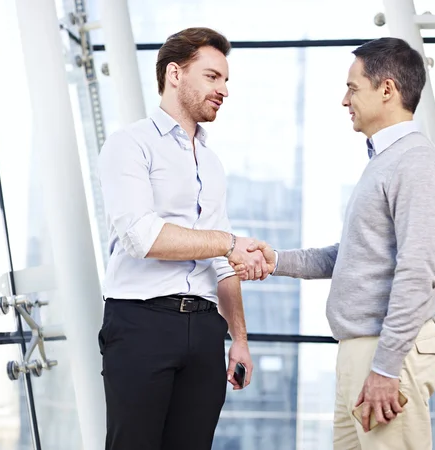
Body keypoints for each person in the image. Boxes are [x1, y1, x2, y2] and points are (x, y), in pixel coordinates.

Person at [235, 37, 435, 449]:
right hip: (363, 352)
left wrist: (386, 369)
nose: (343, 100)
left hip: (389, 355)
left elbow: (416, 272)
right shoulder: (384, 162)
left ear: (386, 89)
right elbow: (348, 257)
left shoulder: (417, 163)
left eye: (353, 88)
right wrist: (275, 260)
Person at [97, 27, 267, 450]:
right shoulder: (129, 145)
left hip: (205, 330)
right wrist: (227, 242)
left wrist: (239, 340)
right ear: (175, 73)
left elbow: (222, 261)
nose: (224, 89)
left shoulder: (211, 164)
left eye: (226, 80)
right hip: (142, 324)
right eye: (212, 77)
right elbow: (142, 236)